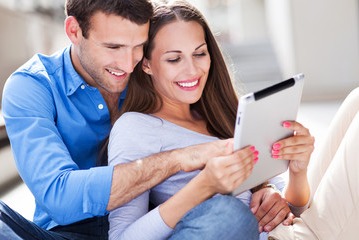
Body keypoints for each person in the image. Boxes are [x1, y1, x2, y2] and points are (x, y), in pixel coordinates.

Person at [0, 0, 293, 239]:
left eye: (138, 45)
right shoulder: (32, 87)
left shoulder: (153, 72)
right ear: (74, 31)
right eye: (113, 47)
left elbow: (213, 122)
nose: (129, 64)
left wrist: (260, 186)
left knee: (228, 216)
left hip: (158, 226)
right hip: (67, 233)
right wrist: (179, 159)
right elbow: (59, 197)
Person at [107, 1, 315, 239]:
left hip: (289, 232)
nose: (192, 70)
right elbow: (122, 237)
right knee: (229, 213)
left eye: (199, 53)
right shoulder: (136, 127)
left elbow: (296, 209)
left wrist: (297, 173)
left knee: (353, 106)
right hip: (237, 229)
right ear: (146, 65)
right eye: (174, 59)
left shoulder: (223, 114)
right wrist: (204, 186)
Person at [267, 87, 359, 239]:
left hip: (288, 223)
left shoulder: (226, 118)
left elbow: (293, 206)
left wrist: (297, 172)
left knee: (357, 98)